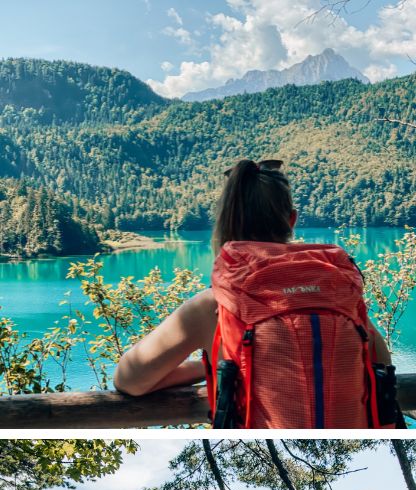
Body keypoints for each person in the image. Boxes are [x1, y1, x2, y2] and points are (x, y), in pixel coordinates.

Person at [113, 159, 393, 427]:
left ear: (223, 221)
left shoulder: (217, 303)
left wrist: (215, 366)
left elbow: (129, 380)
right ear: (291, 220)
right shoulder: (339, 292)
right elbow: (381, 364)